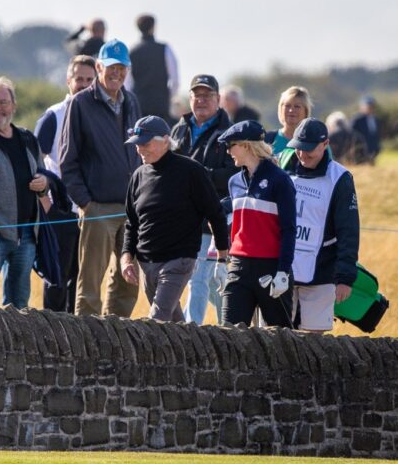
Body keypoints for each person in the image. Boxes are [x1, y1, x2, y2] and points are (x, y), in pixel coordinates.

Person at [59, 39, 142, 316]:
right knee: (91, 283)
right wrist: (86, 202)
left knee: (127, 283)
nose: (116, 73)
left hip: (131, 208)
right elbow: (67, 159)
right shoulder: (81, 103)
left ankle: (115, 341)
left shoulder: (131, 101)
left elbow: (138, 153)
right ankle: (87, 343)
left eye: (122, 68)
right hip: (98, 207)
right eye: (111, 68)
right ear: (98, 67)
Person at [120, 116, 229, 321]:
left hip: (178, 260)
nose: (140, 149)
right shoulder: (138, 175)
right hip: (147, 263)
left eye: (146, 144)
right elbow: (132, 223)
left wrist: (222, 258)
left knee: (157, 321)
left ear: (165, 140)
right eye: (137, 145)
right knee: (175, 325)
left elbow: (215, 213)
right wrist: (126, 258)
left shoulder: (191, 171)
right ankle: (198, 352)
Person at [0, 77, 47, 309]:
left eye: (3, 102)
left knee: (19, 306)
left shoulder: (27, 138)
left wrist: (44, 183)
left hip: (26, 234)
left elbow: (44, 175)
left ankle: (15, 346)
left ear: (14, 105)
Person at [171, 75, 238, 324]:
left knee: (198, 278)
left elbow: (234, 175)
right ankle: (231, 325)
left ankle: (191, 334)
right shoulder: (178, 129)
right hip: (181, 221)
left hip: (211, 221)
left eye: (207, 95)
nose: (201, 100)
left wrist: (198, 175)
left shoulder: (229, 134)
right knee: (208, 283)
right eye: (196, 95)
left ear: (218, 100)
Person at [218, 120, 297, 328]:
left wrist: (283, 271)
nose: (228, 152)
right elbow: (236, 228)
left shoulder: (280, 180)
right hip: (239, 267)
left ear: (246, 145)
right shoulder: (234, 181)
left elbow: (289, 229)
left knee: (279, 340)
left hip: (271, 268)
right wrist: (224, 260)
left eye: (230, 146)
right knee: (229, 335)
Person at [283, 118, 359, 333]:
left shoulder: (341, 178)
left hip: (323, 271)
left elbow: (349, 230)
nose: (303, 155)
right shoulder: (282, 164)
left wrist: (345, 278)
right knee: (275, 337)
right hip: (282, 269)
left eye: (309, 150)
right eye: (299, 149)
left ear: (325, 144)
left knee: (314, 341)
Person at [34, 55, 96, 312]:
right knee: (56, 279)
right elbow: (34, 161)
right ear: (68, 80)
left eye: (89, 79)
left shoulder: (102, 116)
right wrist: (46, 203)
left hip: (92, 211)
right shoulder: (53, 116)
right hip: (60, 211)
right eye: (79, 79)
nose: (83, 84)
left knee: (84, 282)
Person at [126, 14, 179, 125]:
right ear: (153, 27)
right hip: (161, 106)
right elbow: (175, 80)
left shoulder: (131, 52)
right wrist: (168, 97)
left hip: (139, 107)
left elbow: (128, 84)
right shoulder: (164, 48)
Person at [264, 86, 313, 156]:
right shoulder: (267, 139)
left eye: (297, 106)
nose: (291, 110)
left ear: (306, 111)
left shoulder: (316, 142)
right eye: (287, 106)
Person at [352, 95, 381, 164]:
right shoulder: (357, 119)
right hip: (360, 151)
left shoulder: (375, 119)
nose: (370, 108)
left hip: (373, 151)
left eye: (372, 106)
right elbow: (352, 134)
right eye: (368, 106)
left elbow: (376, 135)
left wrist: (377, 148)